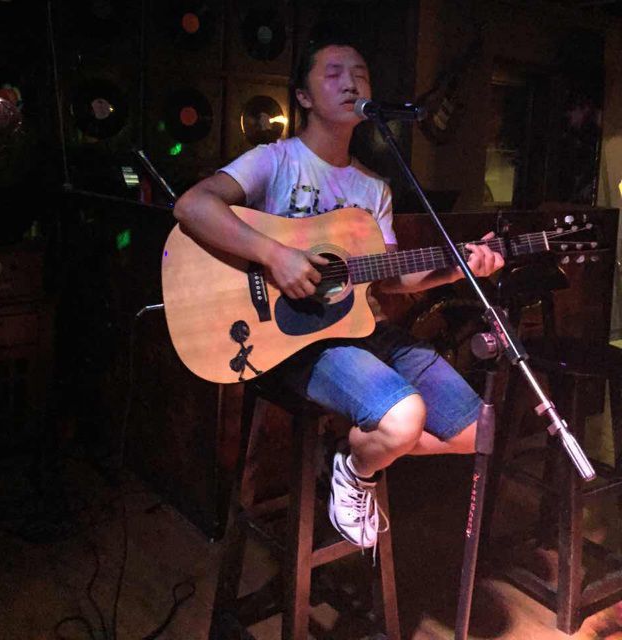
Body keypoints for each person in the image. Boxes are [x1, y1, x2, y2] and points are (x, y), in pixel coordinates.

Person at [173, 34, 505, 551]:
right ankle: (360, 467)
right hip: (296, 340)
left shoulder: (374, 188)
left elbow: (388, 278)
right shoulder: (274, 160)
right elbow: (192, 206)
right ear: (303, 96)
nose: (351, 83)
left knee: (478, 430)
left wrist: (457, 269)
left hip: (364, 328)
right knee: (404, 418)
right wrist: (275, 255)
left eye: (361, 73)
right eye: (333, 73)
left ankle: (352, 453)